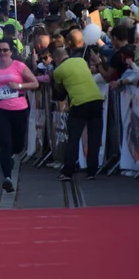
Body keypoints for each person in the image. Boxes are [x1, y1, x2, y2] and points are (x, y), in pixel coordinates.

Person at [0, 38, 39, 192]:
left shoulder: (19, 66)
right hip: (0, 109)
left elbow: (35, 83)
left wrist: (18, 86)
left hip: (19, 108)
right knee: (4, 143)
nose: (2, 53)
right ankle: (7, 178)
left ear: (11, 51)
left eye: (5, 50)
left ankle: (11, 158)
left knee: (17, 145)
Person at [52, 47, 105, 180]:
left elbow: (60, 91)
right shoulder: (81, 61)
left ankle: (68, 172)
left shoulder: (58, 70)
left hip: (79, 103)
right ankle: (92, 171)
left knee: (73, 138)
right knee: (94, 137)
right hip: (96, 100)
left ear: (56, 59)